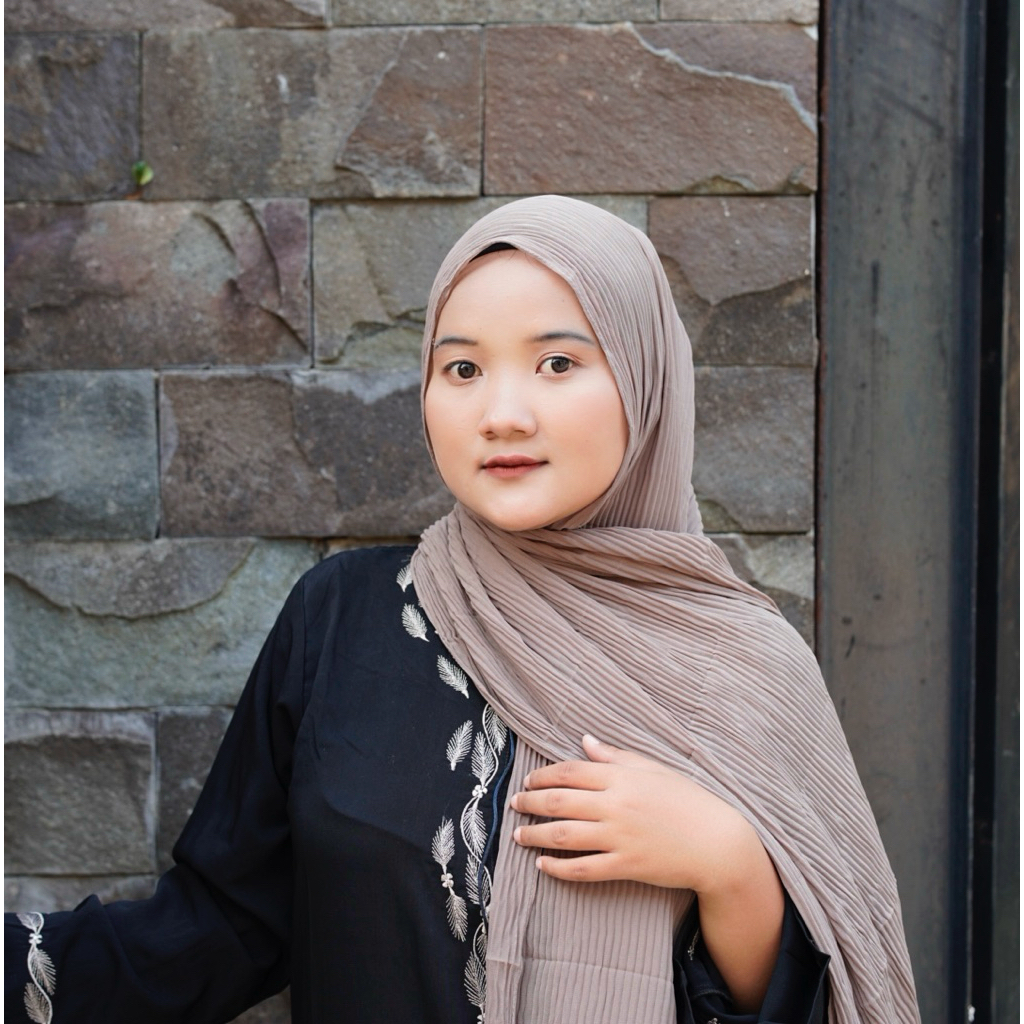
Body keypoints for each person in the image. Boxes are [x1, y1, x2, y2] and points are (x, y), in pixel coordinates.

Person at [5, 196, 918, 1024]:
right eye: (464, 367)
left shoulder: (746, 665)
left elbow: (827, 994)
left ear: (646, 381)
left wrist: (728, 863)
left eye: (557, 362)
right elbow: (220, 930)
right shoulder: (343, 618)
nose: (502, 413)